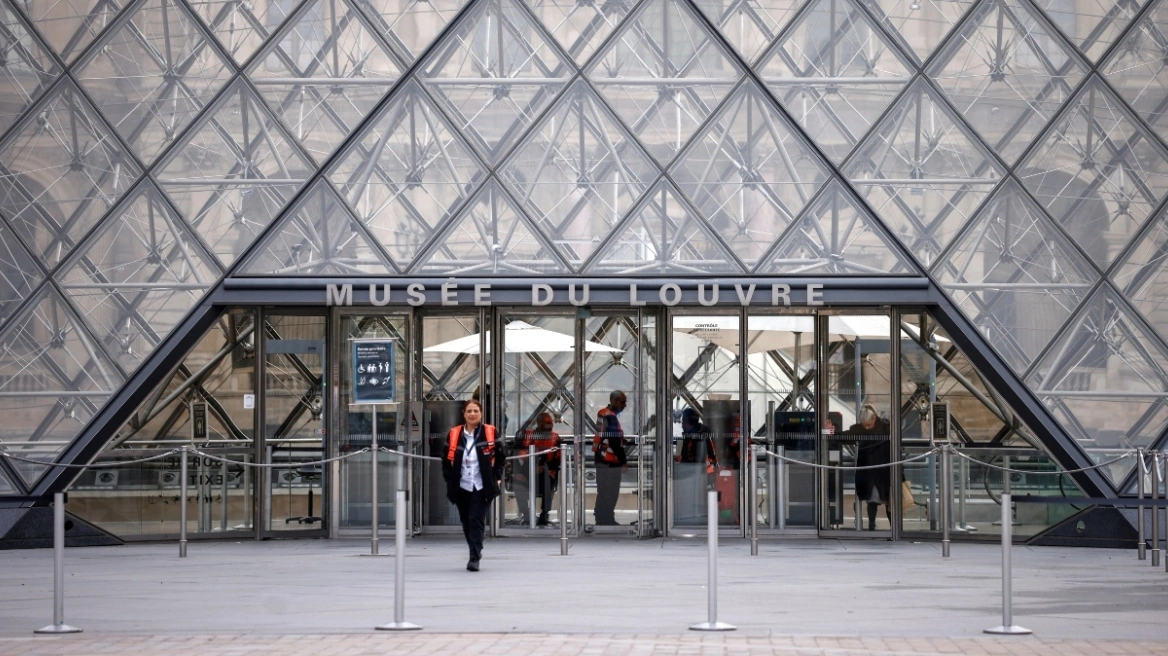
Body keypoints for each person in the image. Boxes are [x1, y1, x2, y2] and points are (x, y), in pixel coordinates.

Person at [442, 399, 507, 571]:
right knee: (466, 521)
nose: (472, 414)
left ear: (481, 413)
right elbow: (445, 460)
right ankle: (474, 549)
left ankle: (474, 557)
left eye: (475, 411)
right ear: (464, 414)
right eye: (469, 411)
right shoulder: (454, 433)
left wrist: (496, 477)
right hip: (461, 485)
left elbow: (501, 457)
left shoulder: (490, 432)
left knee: (475, 519)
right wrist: (449, 479)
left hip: (481, 485)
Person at [848, 404, 892, 531]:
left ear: (874, 418)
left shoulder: (885, 427)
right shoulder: (880, 427)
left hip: (883, 470)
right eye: (864, 425)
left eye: (868, 424)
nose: (866, 427)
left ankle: (892, 527)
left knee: (888, 500)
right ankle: (872, 525)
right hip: (873, 469)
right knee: (873, 498)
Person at [513, 412, 561, 526]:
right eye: (545, 423)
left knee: (548, 483)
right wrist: (519, 472)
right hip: (526, 472)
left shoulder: (555, 437)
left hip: (547, 472)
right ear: (539, 423)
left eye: (550, 423)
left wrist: (544, 467)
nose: (548, 426)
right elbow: (516, 455)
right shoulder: (526, 436)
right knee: (518, 484)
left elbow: (558, 459)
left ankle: (544, 516)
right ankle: (526, 514)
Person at [592, 390, 628, 526]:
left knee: (603, 491)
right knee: (610, 492)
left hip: (601, 458)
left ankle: (601, 518)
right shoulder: (610, 417)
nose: (624, 405)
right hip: (609, 461)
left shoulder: (604, 414)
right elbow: (613, 441)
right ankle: (606, 519)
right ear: (613, 401)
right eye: (621, 402)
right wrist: (623, 461)